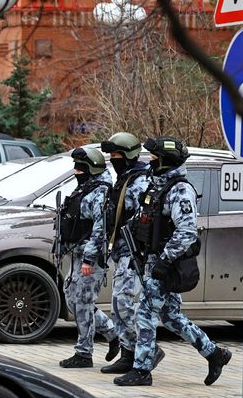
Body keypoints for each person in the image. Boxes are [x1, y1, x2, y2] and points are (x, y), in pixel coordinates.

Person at [114, 136, 232, 386]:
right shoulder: (156, 186)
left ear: (166, 161)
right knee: (170, 316)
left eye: (155, 159)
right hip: (153, 260)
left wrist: (164, 262)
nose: (150, 162)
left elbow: (186, 232)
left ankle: (142, 369)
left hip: (168, 265)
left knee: (143, 312)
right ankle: (215, 353)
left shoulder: (180, 190)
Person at [99, 133, 164, 374]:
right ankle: (129, 353)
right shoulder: (124, 178)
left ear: (127, 155)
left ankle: (145, 350)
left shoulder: (139, 180)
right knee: (118, 305)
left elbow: (143, 218)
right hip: (121, 250)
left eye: (115, 155)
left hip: (134, 253)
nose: (112, 159)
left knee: (123, 303)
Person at [57, 147, 119, 368]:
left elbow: (100, 231)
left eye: (81, 168)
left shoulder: (100, 192)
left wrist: (89, 260)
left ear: (91, 169)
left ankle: (84, 353)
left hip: (89, 258)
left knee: (83, 302)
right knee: (72, 299)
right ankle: (113, 335)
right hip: (76, 254)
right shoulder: (85, 188)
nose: (76, 172)